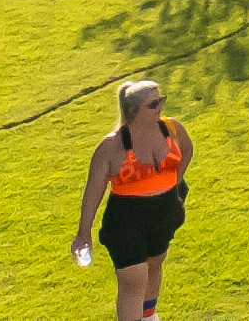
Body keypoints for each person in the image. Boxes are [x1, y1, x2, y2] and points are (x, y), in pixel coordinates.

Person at [71, 79, 190, 321]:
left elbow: (187, 149)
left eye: (161, 101)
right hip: (127, 222)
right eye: (153, 104)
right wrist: (84, 233)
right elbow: (93, 191)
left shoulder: (171, 129)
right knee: (134, 280)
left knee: (155, 263)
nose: (160, 107)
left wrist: (174, 182)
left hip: (163, 215)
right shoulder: (112, 146)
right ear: (134, 111)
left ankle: (148, 317)